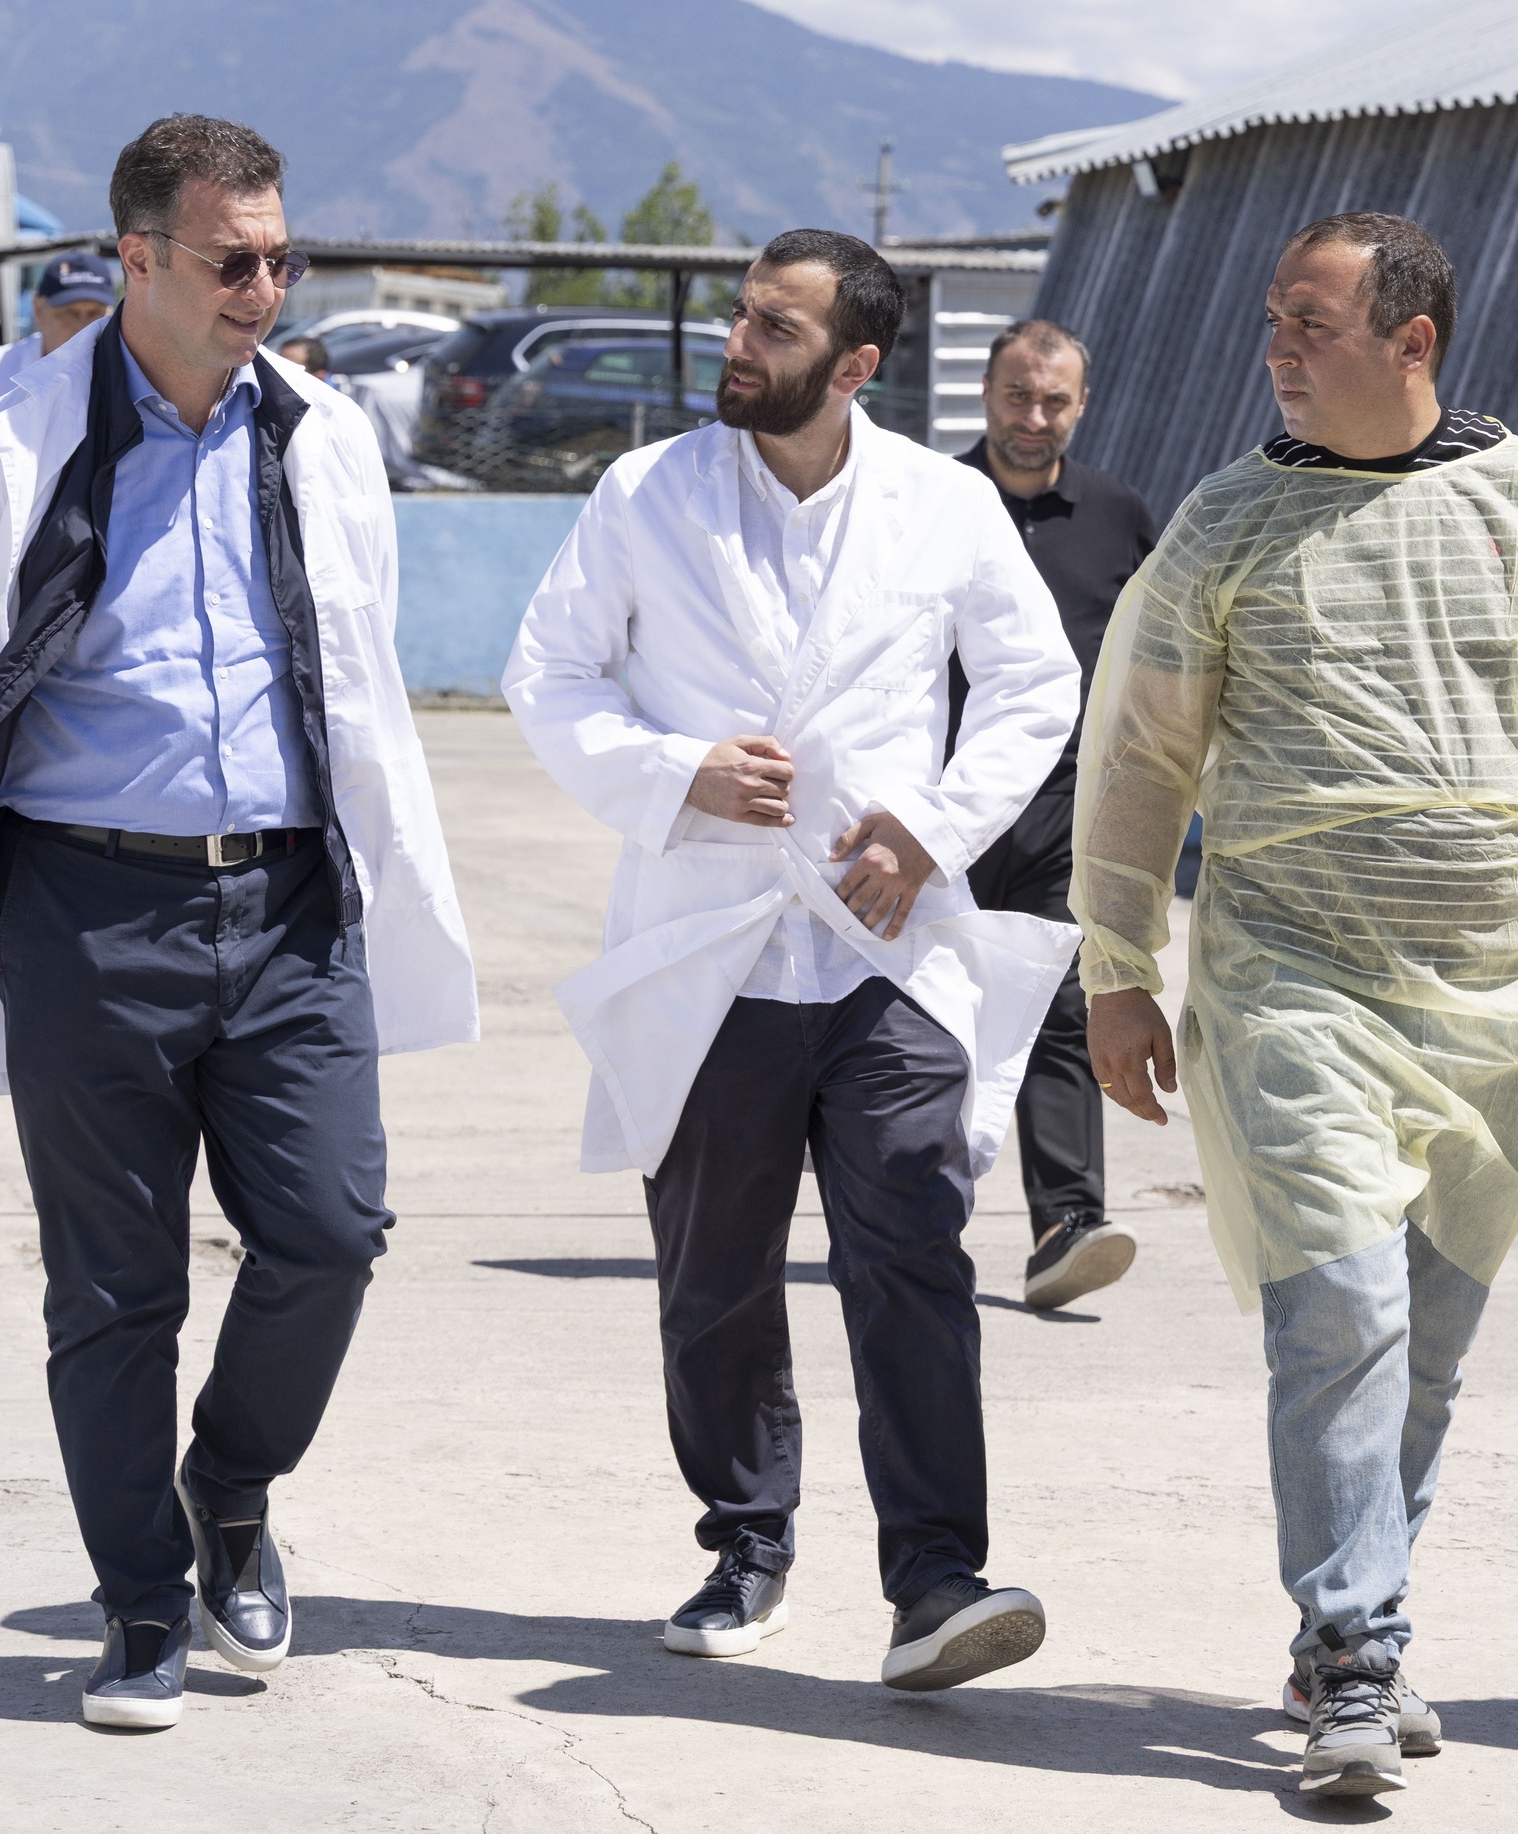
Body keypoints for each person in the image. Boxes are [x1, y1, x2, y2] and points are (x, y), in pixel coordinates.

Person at [0, 114, 479, 1731]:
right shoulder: (17, 443)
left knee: (331, 1228)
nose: (265, 289)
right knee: (114, 1284)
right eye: (231, 261)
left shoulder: (324, 436)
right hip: (87, 906)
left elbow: (359, 657)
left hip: (288, 900)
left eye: (282, 258)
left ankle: (230, 1482)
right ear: (136, 259)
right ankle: (137, 1601)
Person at [1076, 213, 1518, 1798]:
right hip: (1289, 976)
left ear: (1412, 339)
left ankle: (1344, 1634)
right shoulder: (1227, 524)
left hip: (1493, 992)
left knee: (1424, 1342)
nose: (1278, 349)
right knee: (1343, 1310)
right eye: (1272, 320)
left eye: (1311, 322)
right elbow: (1139, 755)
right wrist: (1116, 964)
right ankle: (1357, 1648)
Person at [505, 229, 1080, 1691]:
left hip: (884, 953)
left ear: (854, 363)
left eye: (775, 326)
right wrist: (674, 771)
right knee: (713, 1274)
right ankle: (745, 1540)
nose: (738, 343)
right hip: (710, 945)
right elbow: (548, 675)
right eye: (742, 315)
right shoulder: (647, 494)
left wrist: (932, 831)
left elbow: (1034, 684)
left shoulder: (942, 505)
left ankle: (936, 1576)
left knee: (911, 1250)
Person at [952, 319, 1158, 1309]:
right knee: (922, 1021)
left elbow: (1160, 655)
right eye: (1016, 396)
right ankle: (910, 1215)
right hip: (939, 814)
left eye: (1053, 401)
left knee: (1059, 1010)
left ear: (1081, 405)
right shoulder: (932, 501)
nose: (1032, 418)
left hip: (1063, 811)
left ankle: (1065, 1224)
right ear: (986, 394)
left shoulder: (1117, 516)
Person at [0, 253, 118, 461]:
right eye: (70, 312)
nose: (83, 327)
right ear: (38, 309)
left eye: (94, 313)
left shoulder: (127, 378)